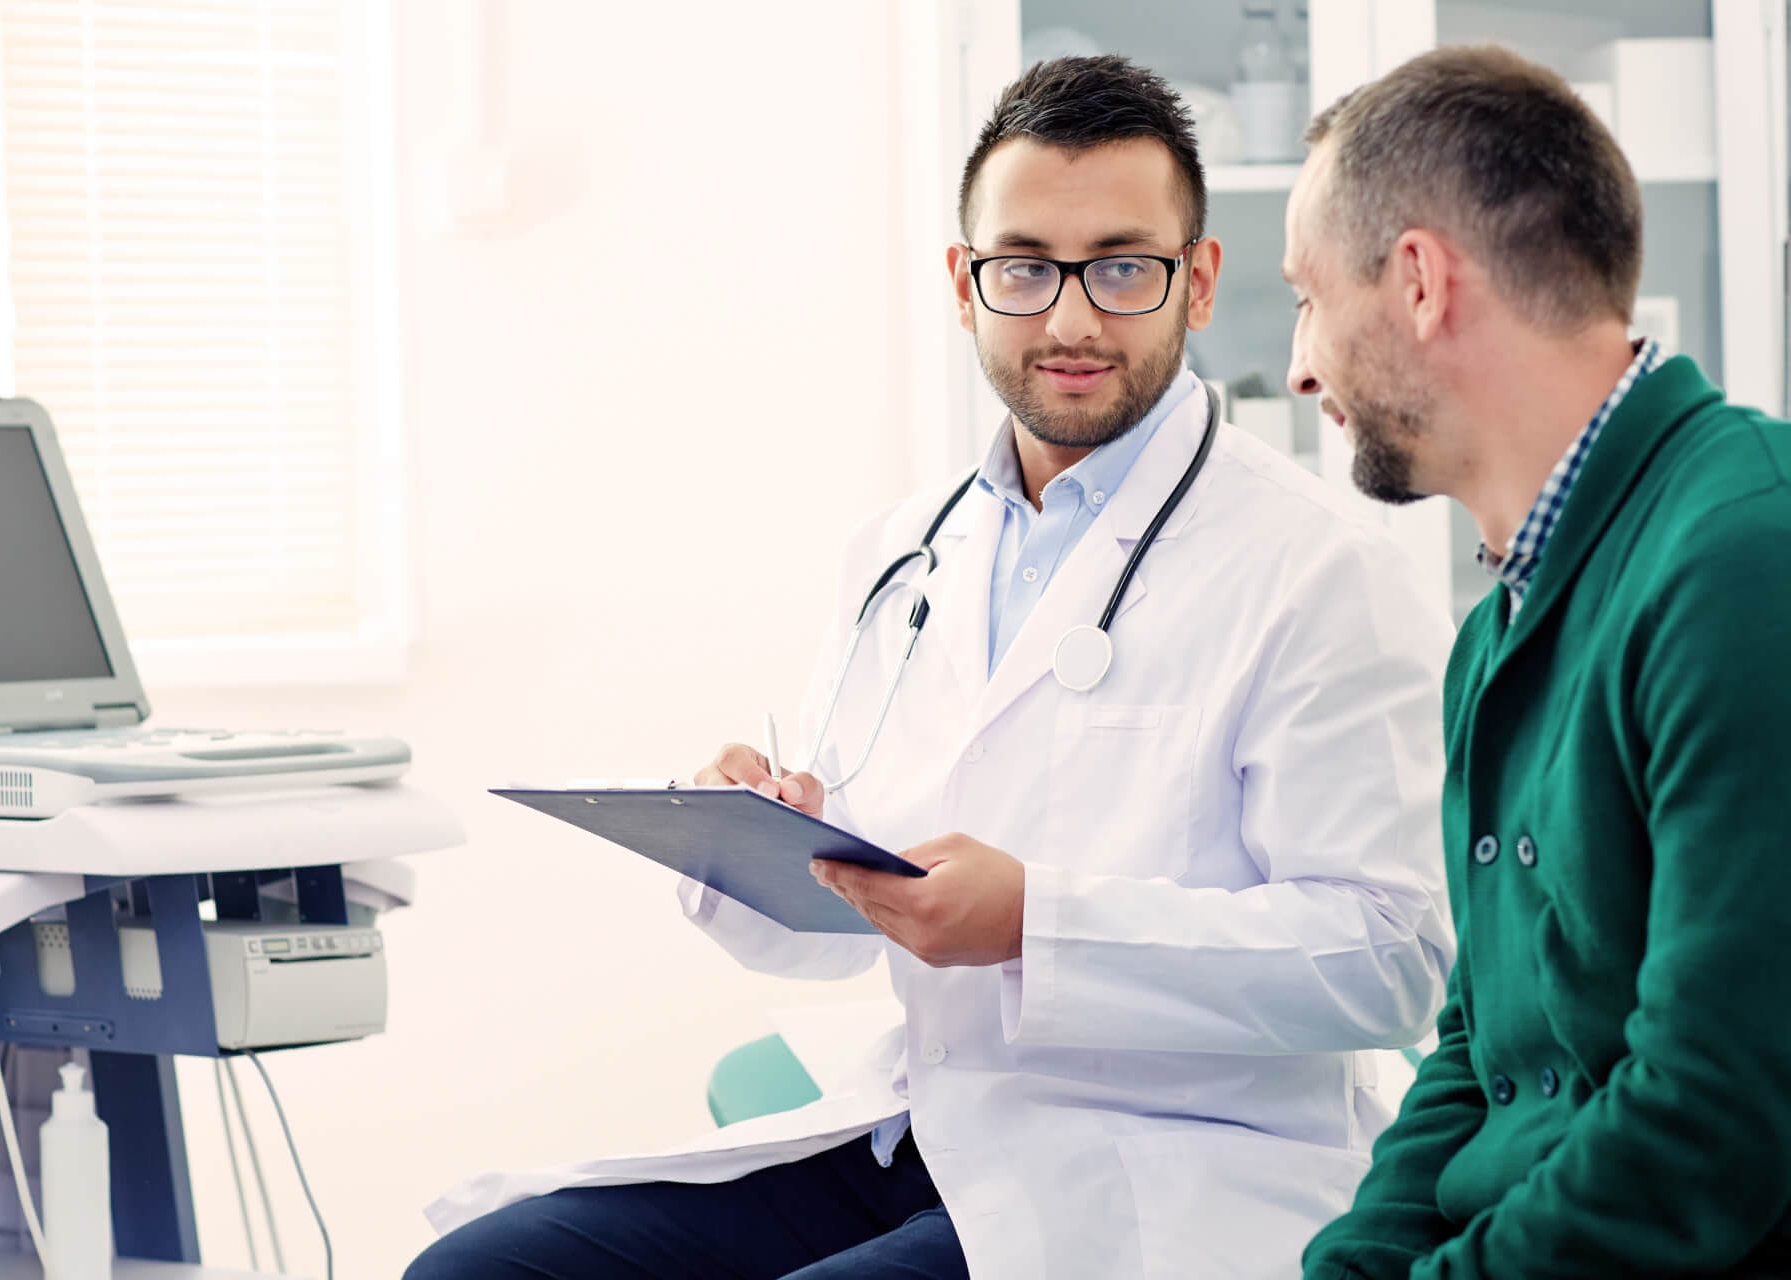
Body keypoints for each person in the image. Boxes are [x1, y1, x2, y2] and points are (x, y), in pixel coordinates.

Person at [411, 55, 1454, 1279]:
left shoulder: (1322, 567)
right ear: (964, 287)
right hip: (925, 1129)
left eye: (1121, 266)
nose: (1069, 319)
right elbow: (854, 928)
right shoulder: (904, 550)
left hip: (1175, 1169)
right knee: (477, 1272)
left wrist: (1037, 923)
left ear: (1200, 282)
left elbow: (1390, 958)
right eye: (1023, 267)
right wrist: (764, 838)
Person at [1287, 45, 1791, 1279]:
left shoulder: (1740, 559)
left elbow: (1707, 1121)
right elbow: (1477, 1049)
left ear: (1415, 281)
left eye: (1307, 296)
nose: (1298, 363)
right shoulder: (1495, 634)